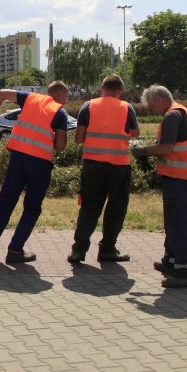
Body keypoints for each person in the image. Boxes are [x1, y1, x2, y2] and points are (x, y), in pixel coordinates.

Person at [0, 81, 70, 263]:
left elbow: (1, 93)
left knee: (5, 203)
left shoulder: (30, 98)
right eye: (66, 98)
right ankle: (15, 250)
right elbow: (60, 146)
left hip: (18, 159)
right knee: (32, 208)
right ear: (60, 95)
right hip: (40, 164)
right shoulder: (60, 112)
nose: (65, 102)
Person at [132, 85, 187, 288]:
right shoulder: (184, 112)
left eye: (152, 106)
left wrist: (144, 151)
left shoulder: (172, 116)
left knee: (177, 223)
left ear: (160, 99)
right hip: (185, 176)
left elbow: (166, 148)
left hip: (179, 176)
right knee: (172, 221)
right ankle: (171, 261)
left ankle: (186, 270)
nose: (152, 110)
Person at [68, 74, 140, 264]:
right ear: (120, 91)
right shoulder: (126, 107)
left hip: (92, 165)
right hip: (119, 166)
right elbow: (135, 132)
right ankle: (107, 249)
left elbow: (78, 138)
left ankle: (79, 250)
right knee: (116, 208)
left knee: (89, 207)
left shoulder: (88, 106)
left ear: (102, 89)